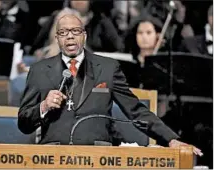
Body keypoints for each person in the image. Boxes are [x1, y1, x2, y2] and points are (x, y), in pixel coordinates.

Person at [18, 14, 202, 156]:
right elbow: (24, 123)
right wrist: (43, 106)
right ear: (57, 38)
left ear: (84, 35)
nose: (70, 37)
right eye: (63, 33)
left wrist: (171, 139)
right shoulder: (39, 70)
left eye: (75, 31)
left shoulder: (107, 68)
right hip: (54, 155)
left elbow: (135, 110)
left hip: (100, 156)